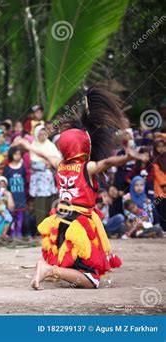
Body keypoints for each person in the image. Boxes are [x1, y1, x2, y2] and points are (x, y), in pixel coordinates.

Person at [15, 86, 146, 290]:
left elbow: (44, 155)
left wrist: (26, 144)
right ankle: (48, 270)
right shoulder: (86, 167)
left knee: (74, 265)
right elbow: (108, 163)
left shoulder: (60, 164)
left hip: (61, 221)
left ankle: (52, 268)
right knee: (92, 281)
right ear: (83, 147)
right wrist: (128, 157)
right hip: (78, 224)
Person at [28, 125, 60, 226]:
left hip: (49, 179)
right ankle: (40, 228)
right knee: (39, 204)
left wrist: (50, 164)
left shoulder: (51, 146)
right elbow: (32, 163)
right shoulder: (33, 146)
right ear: (36, 135)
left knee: (49, 203)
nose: (43, 136)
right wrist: (44, 164)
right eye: (40, 134)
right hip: (38, 180)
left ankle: (49, 228)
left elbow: (57, 160)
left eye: (45, 134)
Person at [3, 147, 28, 238]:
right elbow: (4, 184)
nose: (17, 156)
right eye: (15, 154)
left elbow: (25, 181)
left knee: (20, 217)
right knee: (11, 217)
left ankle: (19, 233)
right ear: (11, 155)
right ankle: (13, 233)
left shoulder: (22, 168)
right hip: (11, 198)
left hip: (21, 196)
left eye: (19, 154)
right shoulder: (7, 168)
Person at [152, 139, 166, 230]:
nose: (161, 148)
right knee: (161, 209)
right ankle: (163, 229)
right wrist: (164, 185)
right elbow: (157, 174)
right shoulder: (154, 159)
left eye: (163, 146)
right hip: (160, 190)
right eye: (159, 146)